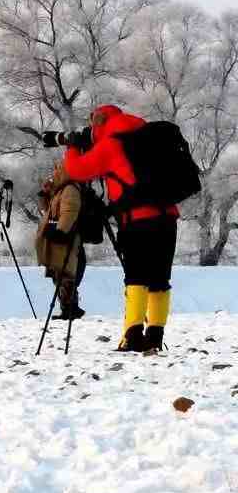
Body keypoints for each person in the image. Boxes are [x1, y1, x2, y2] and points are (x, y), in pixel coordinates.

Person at [64, 104, 180, 352]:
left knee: (137, 277)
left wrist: (72, 146)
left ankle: (133, 335)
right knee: (160, 279)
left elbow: (76, 170)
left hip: (137, 221)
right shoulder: (149, 137)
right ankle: (155, 336)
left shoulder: (112, 144)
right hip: (168, 217)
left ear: (100, 121)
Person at [35, 162, 86, 322]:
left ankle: (70, 308)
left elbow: (69, 211)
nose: (54, 173)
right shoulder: (59, 191)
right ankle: (67, 308)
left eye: (57, 169)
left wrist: (61, 231)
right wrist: (45, 193)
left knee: (66, 273)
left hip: (65, 239)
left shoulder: (70, 190)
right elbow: (47, 210)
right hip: (57, 239)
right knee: (58, 274)